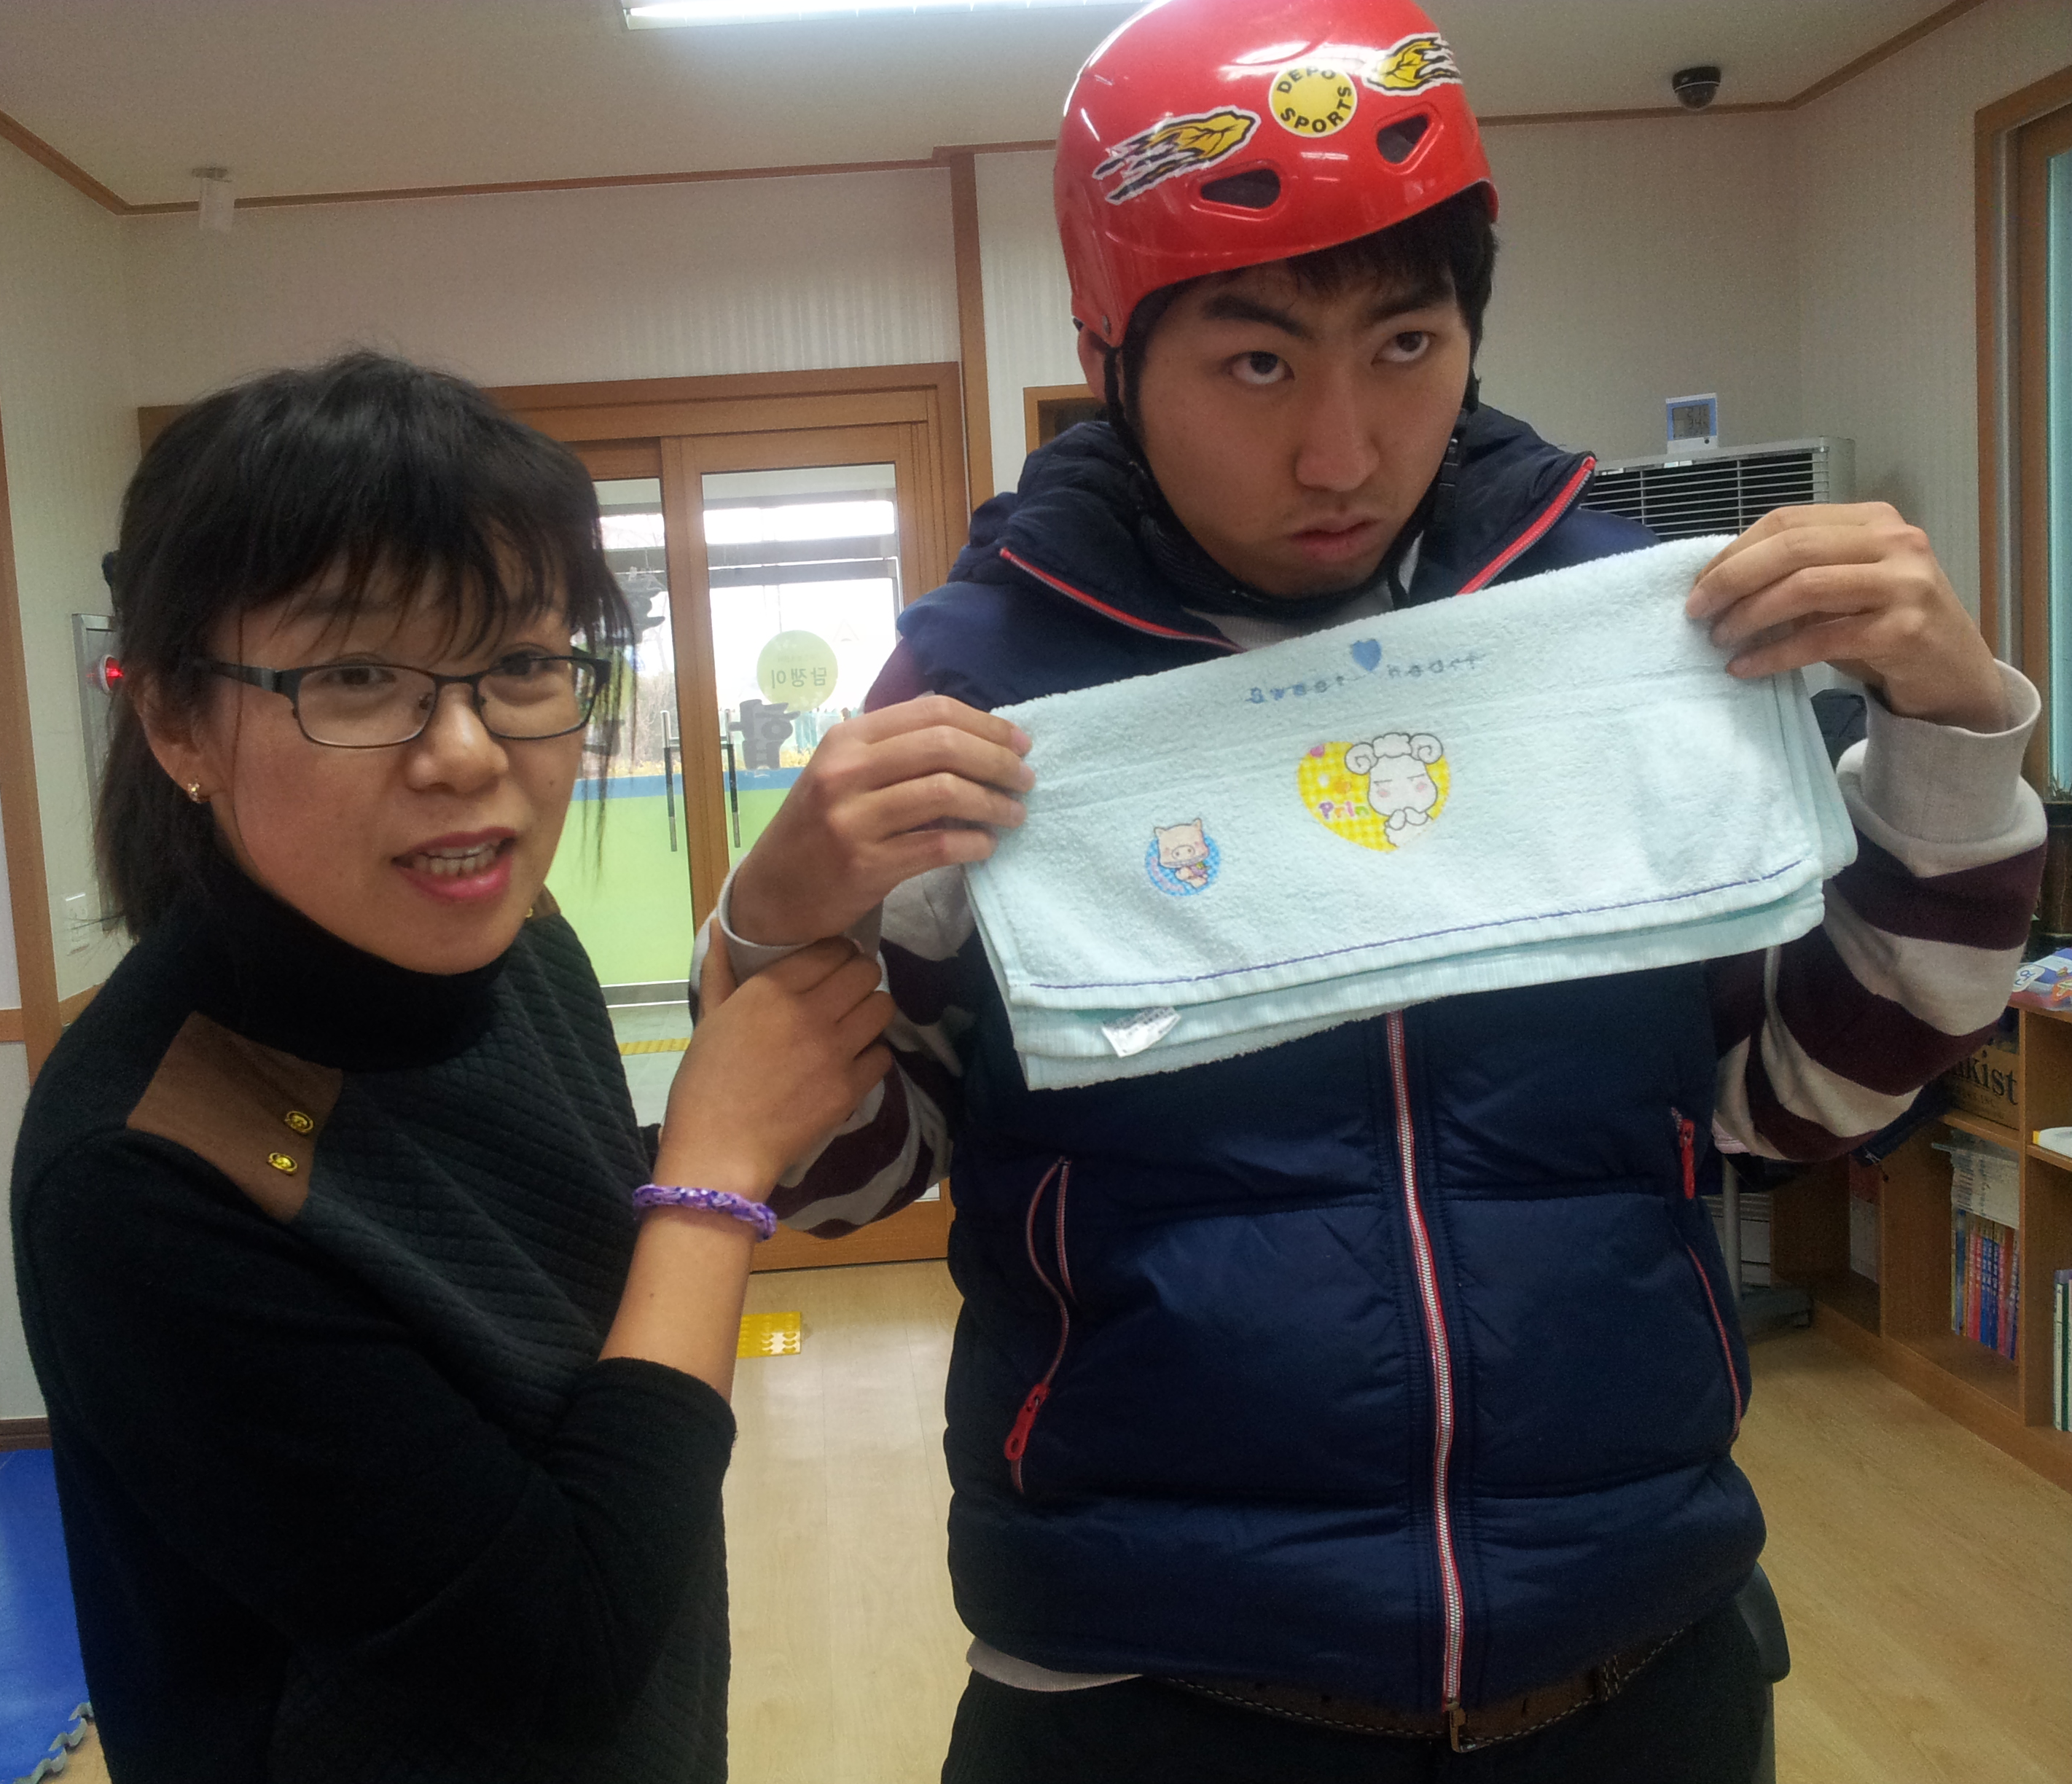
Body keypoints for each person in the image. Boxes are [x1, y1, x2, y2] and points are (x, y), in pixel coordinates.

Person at [711, 2, 2045, 1778]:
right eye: (1257, 365)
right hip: (1146, 1696)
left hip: (1635, 1658)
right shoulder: (983, 706)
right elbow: (848, 1182)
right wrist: (777, 923)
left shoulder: (1625, 644)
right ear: (1115, 356)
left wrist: (1950, 732)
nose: (1341, 451)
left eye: (1407, 343)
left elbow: (1805, 1099)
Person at [10, 353, 895, 1783]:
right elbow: (563, 1651)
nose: (467, 752)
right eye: (358, 677)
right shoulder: (144, 1166)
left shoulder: (521, 946)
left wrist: (771, 947)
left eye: (523, 665)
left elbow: (571, 1319)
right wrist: (714, 1171)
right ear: (176, 719)